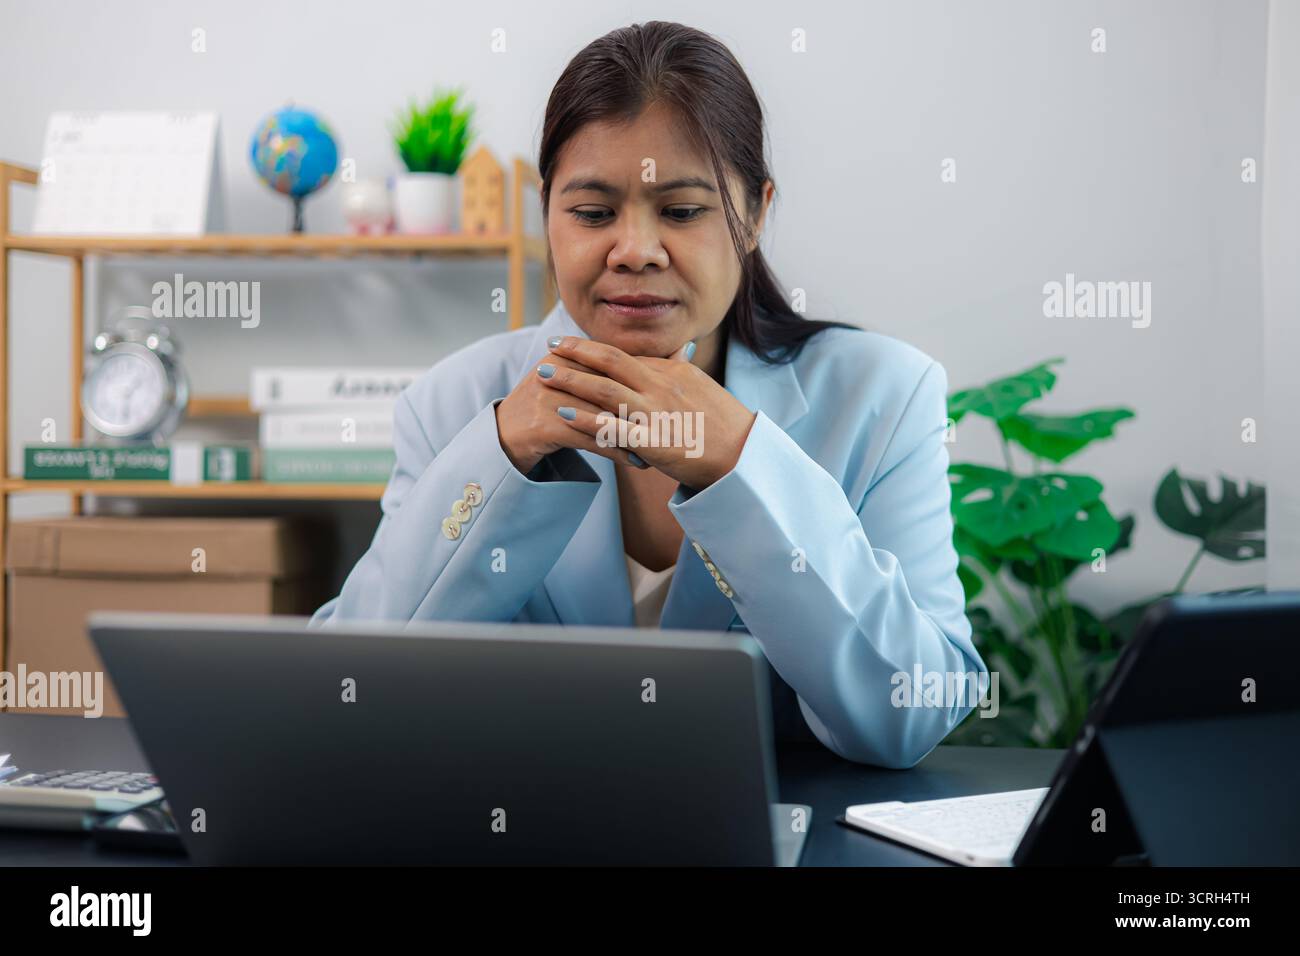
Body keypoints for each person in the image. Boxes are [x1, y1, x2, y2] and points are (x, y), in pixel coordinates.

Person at [313, 21, 985, 769]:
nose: (633, 250)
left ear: (756, 213)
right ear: (547, 216)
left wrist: (740, 463)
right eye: (593, 213)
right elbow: (349, 696)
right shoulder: (454, 403)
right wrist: (503, 451)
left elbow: (913, 712)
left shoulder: (882, 397)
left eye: (683, 210)